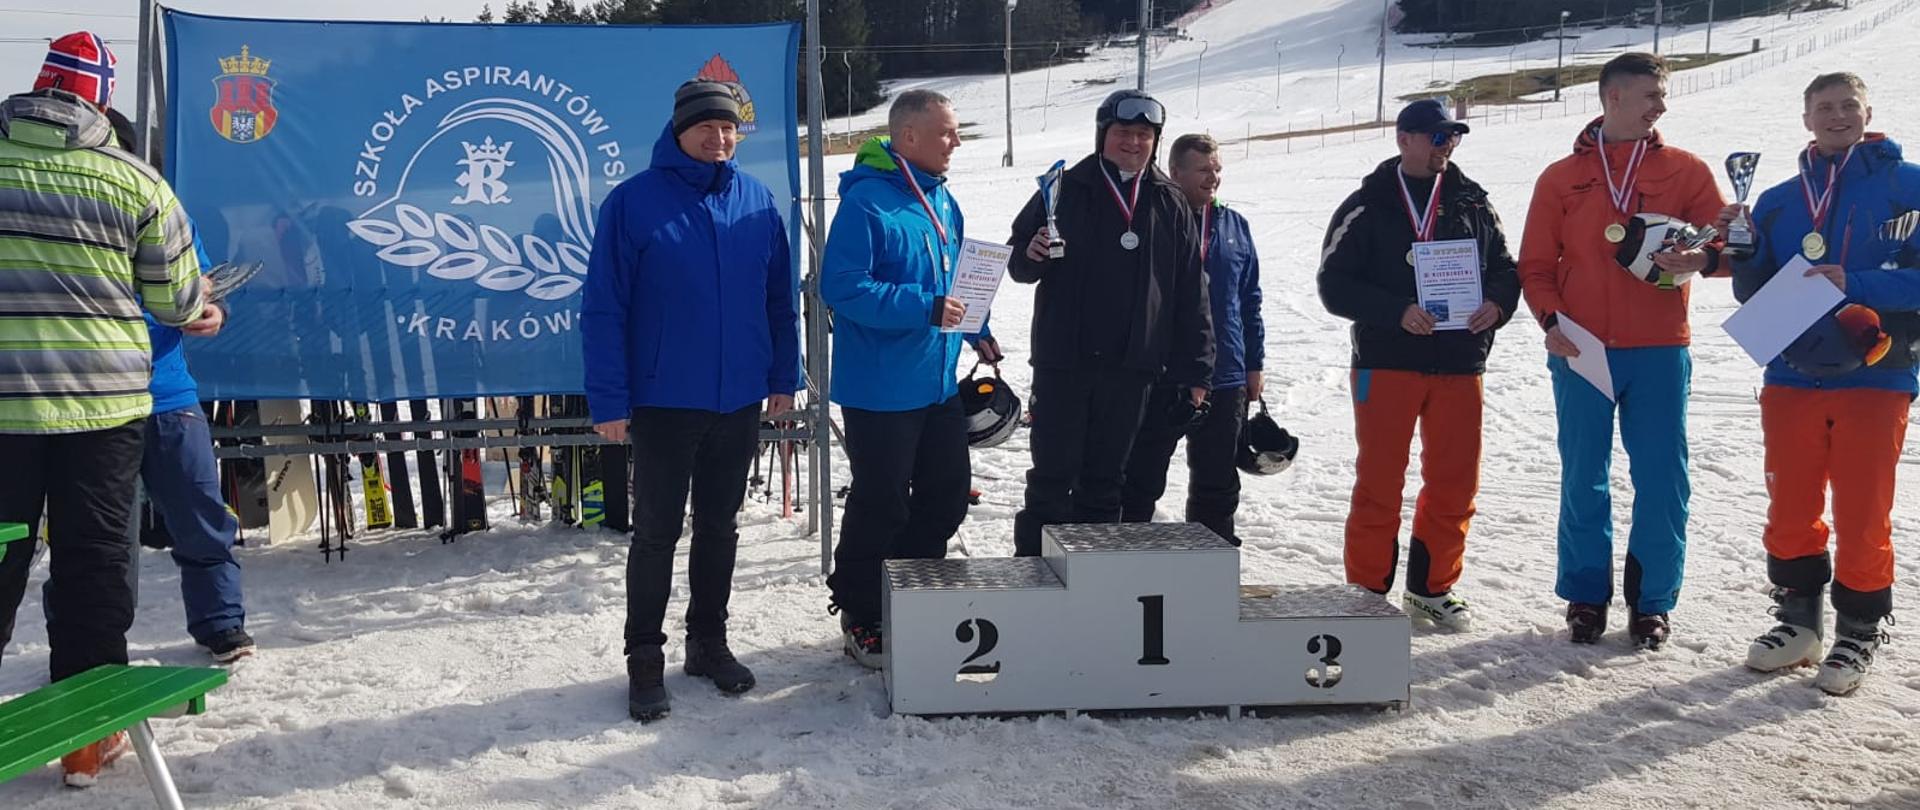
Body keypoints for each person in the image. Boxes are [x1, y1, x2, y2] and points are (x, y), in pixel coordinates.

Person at [0, 32, 208, 786]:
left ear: (37, 87)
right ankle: (85, 742)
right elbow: (178, 301)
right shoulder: (135, 181)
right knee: (93, 567)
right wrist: (200, 309)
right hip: (100, 409)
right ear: (101, 99)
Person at [582, 79, 800, 722]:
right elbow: (603, 308)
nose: (720, 136)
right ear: (678, 130)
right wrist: (609, 399)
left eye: (730, 127)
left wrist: (783, 378)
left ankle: (708, 642)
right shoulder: (633, 203)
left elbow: (778, 303)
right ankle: (644, 659)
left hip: (737, 400)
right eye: (706, 126)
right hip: (663, 402)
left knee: (720, 527)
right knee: (655, 534)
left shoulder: (757, 200)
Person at [1517, 53, 1733, 649]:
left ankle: (1653, 601)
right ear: (1611, 98)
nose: (1659, 107)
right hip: (1580, 347)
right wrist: (1550, 319)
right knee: (1583, 476)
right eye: (1649, 96)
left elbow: (1727, 246)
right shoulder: (1561, 177)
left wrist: (1702, 259)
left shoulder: (1686, 170)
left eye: (1662, 97)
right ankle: (1586, 598)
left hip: (1660, 349)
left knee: (1664, 478)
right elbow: (1534, 265)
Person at [1735, 72, 1920, 695]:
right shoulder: (1781, 198)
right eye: (1824, 107)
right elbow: (1752, 285)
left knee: (1863, 509)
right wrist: (1738, 249)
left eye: (1848, 106)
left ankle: (1859, 631)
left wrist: (1858, 284)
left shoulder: (1908, 187)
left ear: (1868, 111)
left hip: (1878, 373)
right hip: (1789, 373)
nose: (1837, 115)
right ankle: (1798, 624)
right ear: (1806, 118)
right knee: (1790, 504)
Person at [46, 109, 252, 666]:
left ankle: (222, 624)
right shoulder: (57, 212)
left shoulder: (159, 207)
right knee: (92, 542)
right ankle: (90, 654)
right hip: (90, 402)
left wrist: (213, 312)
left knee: (200, 515)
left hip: (167, 394)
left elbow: (200, 288)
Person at [1318, 99, 1521, 631]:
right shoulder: (1366, 206)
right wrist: (1396, 312)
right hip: (1387, 363)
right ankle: (1365, 591)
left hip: (1459, 362)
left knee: (1454, 481)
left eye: (1452, 137)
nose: (1445, 146)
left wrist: (1497, 305)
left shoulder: (1472, 202)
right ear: (1403, 139)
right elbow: (1333, 286)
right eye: (1435, 137)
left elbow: (1506, 269)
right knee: (1379, 483)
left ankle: (1432, 588)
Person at [819, 90, 1003, 668]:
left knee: (947, 495)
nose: (955, 141)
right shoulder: (867, 204)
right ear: (908, 138)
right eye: (945, 132)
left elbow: (954, 279)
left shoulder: (942, 201)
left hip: (937, 381)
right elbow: (842, 288)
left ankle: (910, 595)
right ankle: (860, 611)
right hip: (880, 387)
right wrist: (923, 307)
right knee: (882, 502)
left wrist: (978, 326)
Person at [1005, 90, 1213, 557]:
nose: (1134, 143)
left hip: (1132, 369)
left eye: (1144, 135)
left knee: (1106, 483)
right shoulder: (1063, 188)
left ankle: (1091, 586)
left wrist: (1199, 369)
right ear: (1104, 135)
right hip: (1066, 364)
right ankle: (1034, 577)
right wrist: (1031, 253)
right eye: (1124, 133)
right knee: (1052, 479)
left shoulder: (1169, 198)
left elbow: (1190, 291)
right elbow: (1018, 264)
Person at [1120, 133, 1265, 546]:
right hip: (1165, 373)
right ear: (1176, 172)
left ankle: (1211, 567)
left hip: (1226, 374)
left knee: (1217, 483)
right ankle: (1123, 563)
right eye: (1203, 170)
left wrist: (1254, 363)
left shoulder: (1235, 225)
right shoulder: (1152, 218)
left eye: (1217, 169)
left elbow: (1249, 298)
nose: (1213, 178)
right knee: (1141, 477)